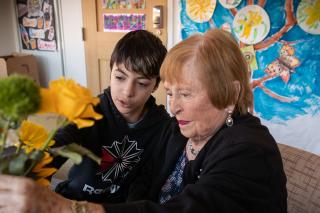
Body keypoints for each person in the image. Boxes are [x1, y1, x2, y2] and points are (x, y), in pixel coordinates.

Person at [0, 29, 287, 213]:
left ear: (229, 95)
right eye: (171, 93)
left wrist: (68, 209)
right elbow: (145, 180)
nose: (173, 107)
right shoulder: (180, 132)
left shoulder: (248, 151)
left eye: (185, 94)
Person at [50, 30, 170, 203]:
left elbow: (146, 183)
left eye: (142, 83)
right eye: (120, 77)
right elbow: (59, 142)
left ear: (156, 85)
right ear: (110, 71)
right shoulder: (90, 111)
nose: (127, 92)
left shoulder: (162, 126)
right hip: (76, 200)